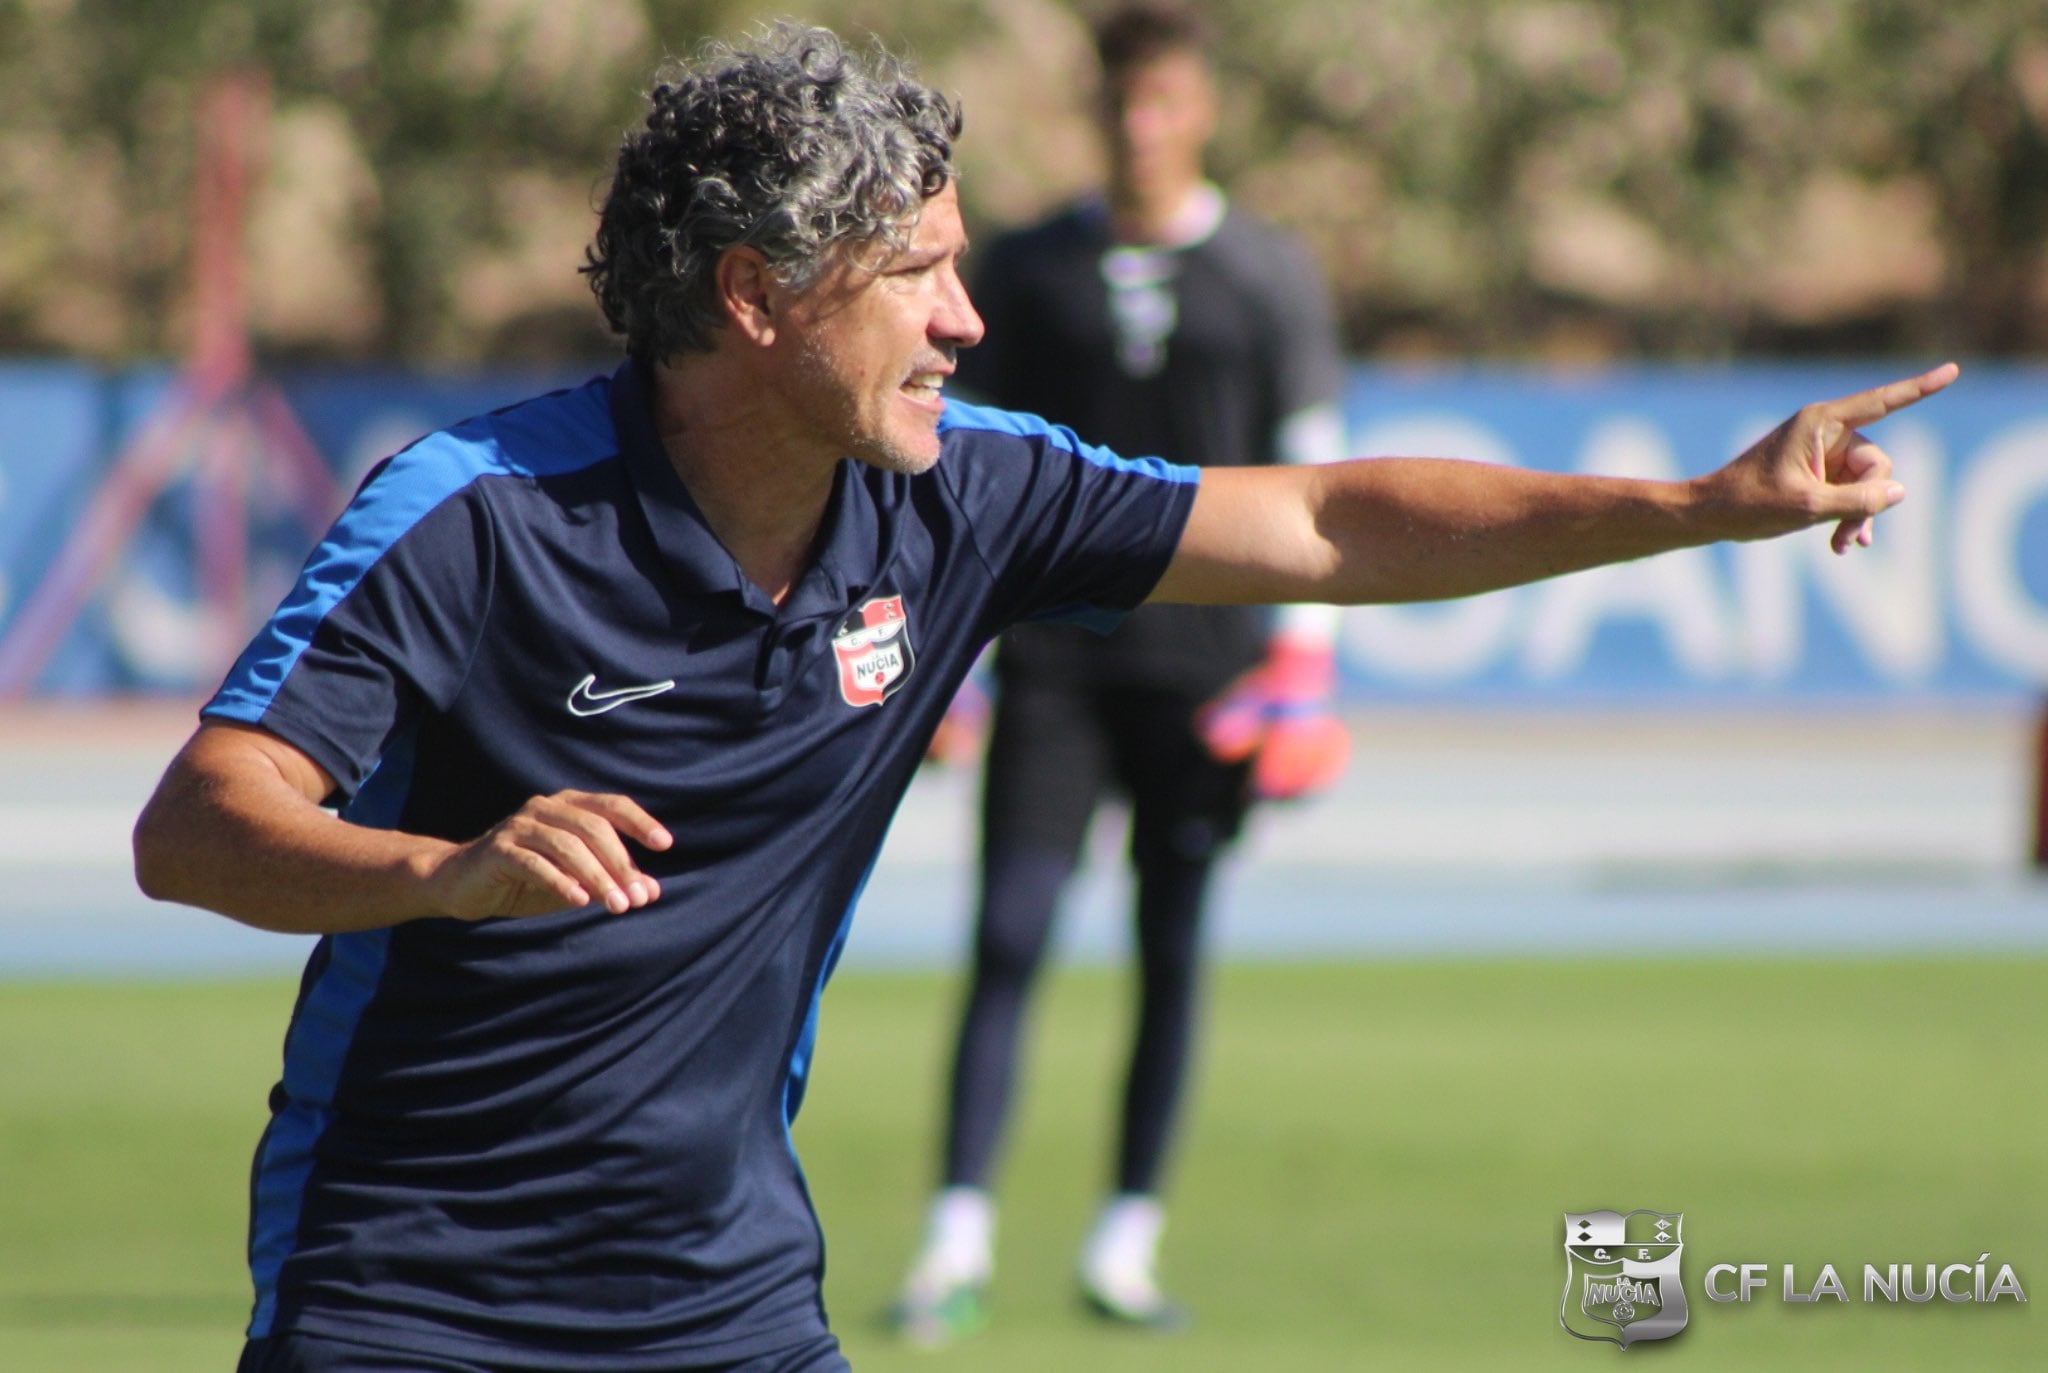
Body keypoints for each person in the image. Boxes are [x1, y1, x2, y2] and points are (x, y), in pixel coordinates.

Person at [130, 19, 1949, 1373]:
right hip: (407, 1299)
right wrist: (442, 868)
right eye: (915, 276)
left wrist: (1703, 507)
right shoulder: (474, 512)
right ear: (758, 298)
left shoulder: (966, 492)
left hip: (734, 1301)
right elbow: (199, 824)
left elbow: (1319, 523)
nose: (964, 321)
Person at [893, 0, 1353, 1339]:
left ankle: (1124, 1240)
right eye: (1123, 104)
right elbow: (957, 468)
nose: (1143, 127)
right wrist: (945, 665)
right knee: (1011, 935)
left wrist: (1304, 673)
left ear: (1200, 109)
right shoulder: (1031, 271)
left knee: (1171, 950)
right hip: (1053, 667)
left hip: (1207, 676)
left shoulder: (1268, 274)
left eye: (1165, 101)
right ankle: (953, 1237)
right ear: (1096, 113)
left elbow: (1317, 472)